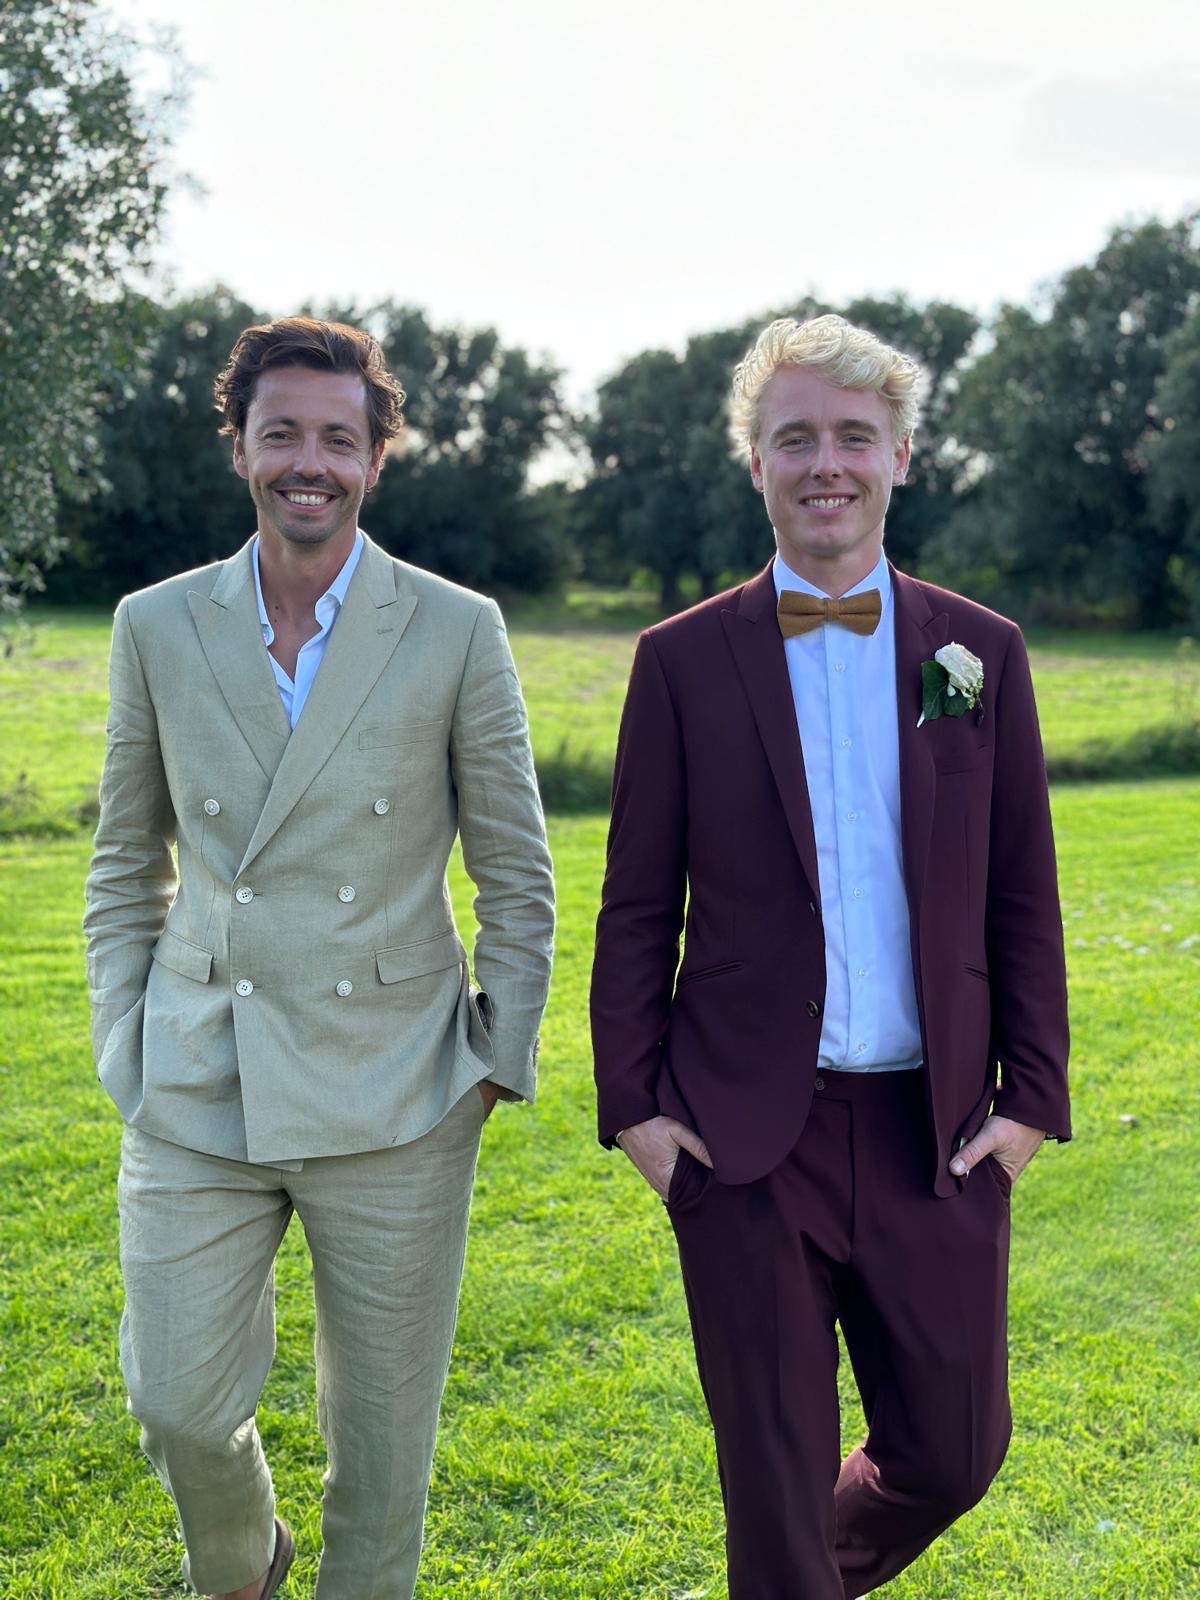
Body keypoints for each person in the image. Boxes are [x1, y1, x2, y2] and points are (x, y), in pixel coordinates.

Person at [590, 314, 1070, 1599]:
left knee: (956, 1450)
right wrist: (635, 1108)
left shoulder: (978, 654)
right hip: (745, 1138)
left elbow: (1022, 890)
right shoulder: (680, 661)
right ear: (755, 462)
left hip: (935, 1131)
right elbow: (636, 906)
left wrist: (1031, 1100)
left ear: (901, 456)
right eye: (794, 437)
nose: (827, 464)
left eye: (855, 436)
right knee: (773, 1480)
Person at [84, 317, 554, 1600]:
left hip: (399, 1086)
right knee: (176, 1402)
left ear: (375, 458)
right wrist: (125, 1037)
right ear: (239, 446)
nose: (310, 462)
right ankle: (244, 1564)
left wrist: (493, 1059)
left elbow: (516, 869)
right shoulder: (156, 624)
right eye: (281, 432)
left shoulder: (455, 628)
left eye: (338, 439)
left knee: (385, 1452)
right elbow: (125, 859)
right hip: (198, 1076)